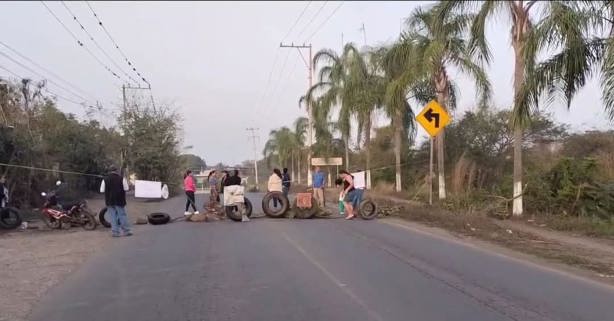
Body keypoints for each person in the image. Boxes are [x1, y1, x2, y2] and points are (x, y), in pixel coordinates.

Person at [100, 165, 132, 237]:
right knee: (122, 215)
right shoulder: (121, 179)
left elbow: (101, 191)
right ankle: (126, 231)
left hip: (109, 201)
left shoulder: (105, 179)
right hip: (120, 200)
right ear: (116, 171)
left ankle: (115, 233)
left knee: (112, 216)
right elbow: (126, 189)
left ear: (109, 171)